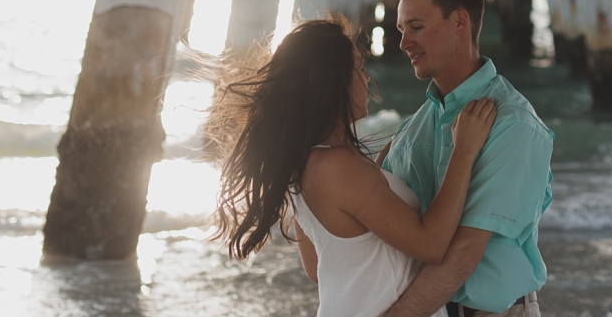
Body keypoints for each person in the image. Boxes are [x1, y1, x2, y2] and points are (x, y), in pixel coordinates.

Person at [208, 18, 498, 317]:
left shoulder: (303, 164)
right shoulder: (336, 166)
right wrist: (463, 151)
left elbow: (319, 268)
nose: (367, 78)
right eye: (359, 67)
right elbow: (432, 245)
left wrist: (379, 171)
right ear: (334, 81)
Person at [380, 0, 555, 317]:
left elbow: (464, 254)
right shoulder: (412, 127)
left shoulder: (513, 124)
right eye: (401, 30)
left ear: (460, 22)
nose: (403, 43)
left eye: (416, 27)